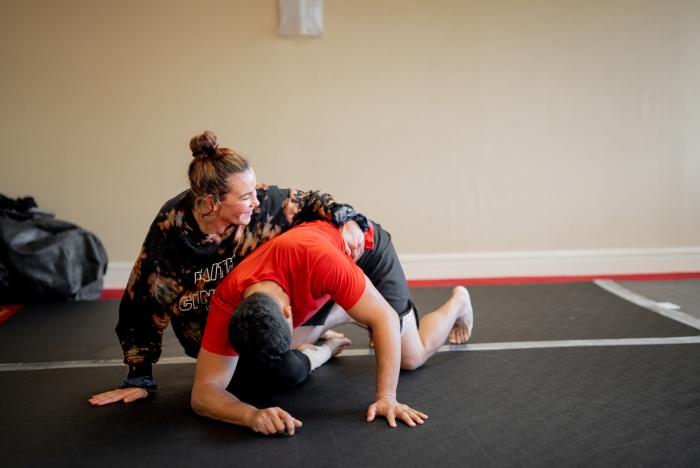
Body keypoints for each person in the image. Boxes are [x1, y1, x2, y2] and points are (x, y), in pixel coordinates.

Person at [89, 130, 372, 406]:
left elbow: (312, 200)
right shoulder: (170, 231)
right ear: (212, 202)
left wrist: (346, 218)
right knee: (246, 385)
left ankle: (330, 321)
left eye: (254, 191)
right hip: (211, 338)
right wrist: (139, 377)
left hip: (255, 317)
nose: (256, 200)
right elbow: (141, 303)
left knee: (278, 372)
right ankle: (321, 340)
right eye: (245, 196)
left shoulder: (261, 207)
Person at [192, 220, 474, 435]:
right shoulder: (227, 300)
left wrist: (386, 397)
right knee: (273, 359)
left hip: (365, 253)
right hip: (320, 282)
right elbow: (203, 392)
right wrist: (250, 415)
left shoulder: (319, 261)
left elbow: (385, 318)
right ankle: (348, 310)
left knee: (412, 356)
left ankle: (458, 303)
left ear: (290, 313)